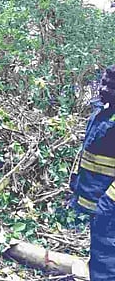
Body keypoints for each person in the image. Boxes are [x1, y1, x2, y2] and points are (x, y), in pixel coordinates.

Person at [69, 65, 115, 281]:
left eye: (110, 86)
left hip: (109, 207)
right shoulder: (104, 111)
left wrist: (108, 201)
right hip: (99, 204)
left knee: (106, 263)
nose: (102, 88)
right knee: (99, 259)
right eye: (103, 82)